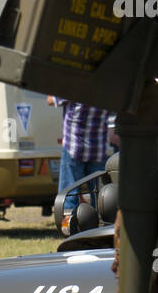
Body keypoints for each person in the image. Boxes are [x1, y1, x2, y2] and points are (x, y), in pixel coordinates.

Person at [46, 94, 110, 234]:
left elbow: (51, 100)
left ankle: (67, 230)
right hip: (98, 149)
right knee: (100, 196)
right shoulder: (106, 87)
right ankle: (101, 229)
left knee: (68, 194)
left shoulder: (75, 86)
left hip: (74, 147)